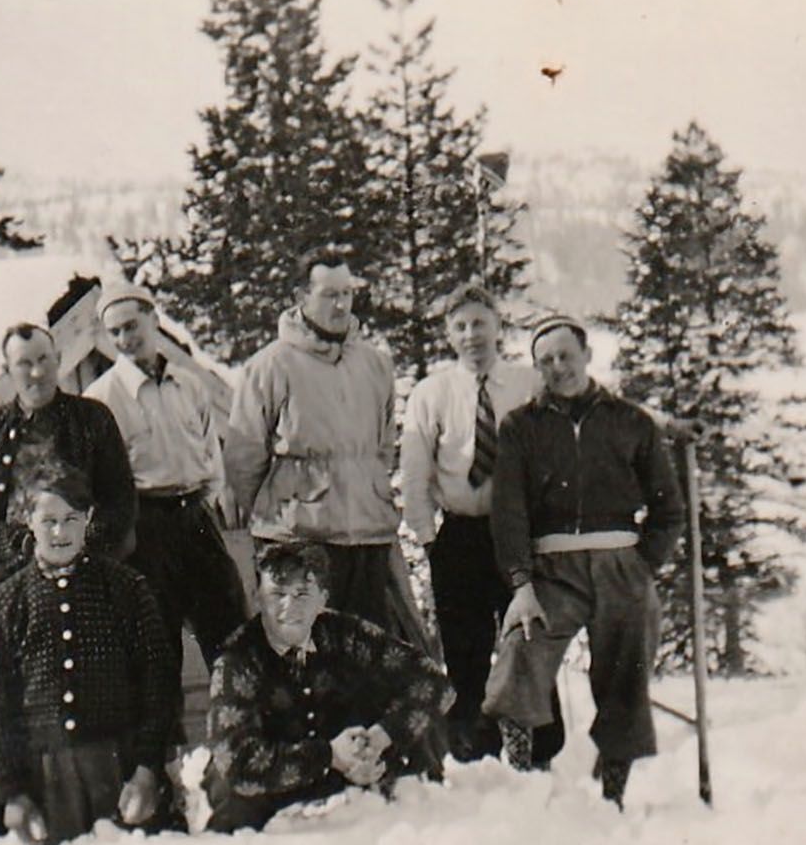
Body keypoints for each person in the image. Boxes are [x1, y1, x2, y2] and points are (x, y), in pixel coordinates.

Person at [485, 316, 686, 809]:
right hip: (552, 571)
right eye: (546, 361)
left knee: (626, 672)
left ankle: (612, 791)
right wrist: (521, 583)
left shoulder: (630, 422)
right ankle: (528, 782)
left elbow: (669, 508)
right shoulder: (521, 427)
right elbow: (508, 511)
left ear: (587, 355)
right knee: (519, 654)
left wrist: (643, 565)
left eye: (566, 356)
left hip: (621, 564)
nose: (558, 368)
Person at [401, 283, 566, 765]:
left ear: (498, 326)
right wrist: (431, 540)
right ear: (449, 335)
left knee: (529, 639)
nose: (471, 335)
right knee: (465, 648)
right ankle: (472, 750)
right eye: (460, 326)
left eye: (479, 323)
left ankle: (540, 746)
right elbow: (415, 475)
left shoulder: (526, 384)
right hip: (460, 536)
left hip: (518, 535)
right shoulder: (432, 393)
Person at [224, 252, 420, 645]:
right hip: (300, 537)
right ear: (301, 296)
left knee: (366, 651)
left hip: (365, 535)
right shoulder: (270, 366)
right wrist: (284, 508)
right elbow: (243, 458)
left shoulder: (375, 364)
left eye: (347, 293)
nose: (341, 304)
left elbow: (382, 446)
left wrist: (365, 489)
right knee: (305, 655)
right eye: (330, 294)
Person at [0, 466, 175, 845]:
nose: (59, 532)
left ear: (89, 519)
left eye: (71, 520)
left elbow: (157, 680)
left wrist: (148, 768)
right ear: (26, 521)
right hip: (45, 777)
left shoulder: (125, 588)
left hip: (117, 768)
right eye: (48, 520)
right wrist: (12, 791)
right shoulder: (6, 602)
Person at [203, 542, 453, 833]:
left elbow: (434, 682)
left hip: (352, 777)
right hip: (273, 790)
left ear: (322, 598)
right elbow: (235, 762)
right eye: (277, 594)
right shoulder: (238, 659)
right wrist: (328, 756)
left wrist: (379, 738)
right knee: (231, 795)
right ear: (257, 598)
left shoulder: (344, 633)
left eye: (302, 594)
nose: (289, 607)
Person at [84, 283, 247, 670]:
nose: (126, 338)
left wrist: (204, 502)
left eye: (132, 325)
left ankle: (239, 725)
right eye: (115, 332)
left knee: (231, 632)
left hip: (196, 518)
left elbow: (211, 453)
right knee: (157, 643)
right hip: (146, 528)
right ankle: (166, 730)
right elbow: (97, 481)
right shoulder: (101, 399)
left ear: (154, 320)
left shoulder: (189, 385)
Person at [0, 322, 137, 600]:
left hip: (87, 573)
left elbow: (120, 499)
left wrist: (79, 546)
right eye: (24, 363)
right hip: (11, 579)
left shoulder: (93, 418)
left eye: (43, 360)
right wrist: (16, 542)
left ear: (58, 359)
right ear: (8, 370)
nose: (36, 373)